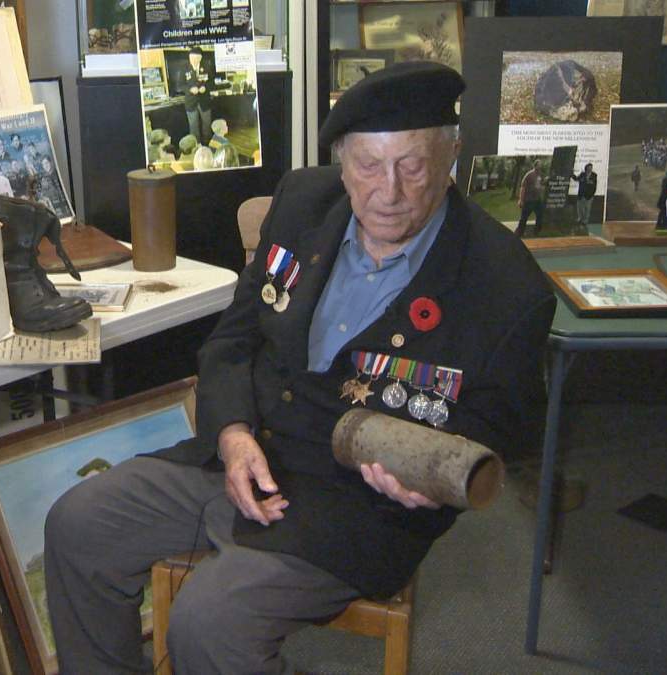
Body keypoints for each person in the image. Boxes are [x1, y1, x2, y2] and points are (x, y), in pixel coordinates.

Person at [43, 62, 555, 675]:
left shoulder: (504, 283)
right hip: (243, 455)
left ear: (450, 161)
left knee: (208, 625)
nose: (388, 191)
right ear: (342, 165)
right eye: (368, 166)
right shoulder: (303, 201)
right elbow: (232, 340)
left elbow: (506, 429)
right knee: (77, 525)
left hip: (354, 506)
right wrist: (231, 435)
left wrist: (437, 478)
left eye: (412, 166)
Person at [177, 49, 216, 145]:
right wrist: (190, 89)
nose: (193, 60)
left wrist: (205, 87)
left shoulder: (206, 67)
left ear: (200, 58)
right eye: (191, 58)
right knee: (193, 127)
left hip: (205, 102)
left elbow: (212, 83)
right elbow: (180, 85)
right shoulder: (184, 68)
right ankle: (196, 146)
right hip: (191, 102)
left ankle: (207, 146)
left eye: (195, 58)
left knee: (207, 126)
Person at [515, 159, 544, 237]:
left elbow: (540, 186)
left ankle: (537, 231)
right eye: (539, 164)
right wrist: (521, 199)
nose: (540, 166)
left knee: (540, 215)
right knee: (524, 217)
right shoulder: (529, 174)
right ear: (535, 165)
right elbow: (523, 187)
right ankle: (519, 233)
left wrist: (541, 190)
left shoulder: (540, 175)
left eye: (541, 164)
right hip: (529, 200)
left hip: (537, 200)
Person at [570, 163, 598, 227]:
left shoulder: (594, 175)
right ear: (586, 168)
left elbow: (594, 186)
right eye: (588, 168)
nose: (589, 169)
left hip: (589, 195)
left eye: (591, 168)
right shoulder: (582, 174)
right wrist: (572, 173)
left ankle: (585, 221)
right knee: (579, 207)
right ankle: (580, 218)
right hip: (581, 194)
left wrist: (591, 195)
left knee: (587, 208)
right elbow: (576, 179)